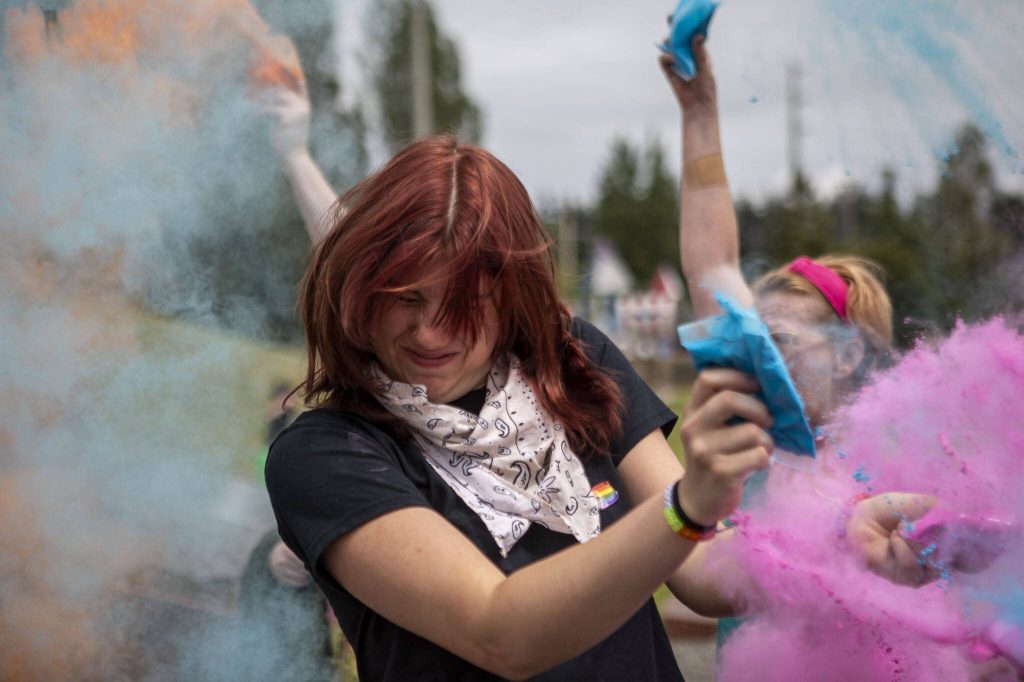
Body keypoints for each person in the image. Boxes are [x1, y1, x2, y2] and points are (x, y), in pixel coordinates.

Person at [263, 133, 783, 681]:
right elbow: (499, 631)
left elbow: (702, 570)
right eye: (406, 298)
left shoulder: (574, 363)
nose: (429, 332)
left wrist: (840, 552)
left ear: (511, 294)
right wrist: (684, 508)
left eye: (464, 303)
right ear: (362, 291)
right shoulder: (325, 452)